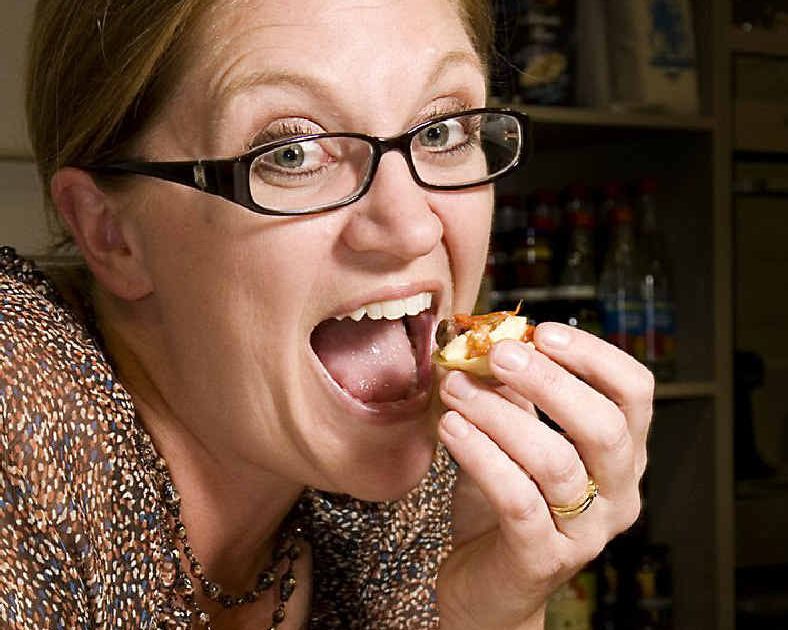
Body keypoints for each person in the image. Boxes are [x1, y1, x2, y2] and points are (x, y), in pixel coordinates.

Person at [0, 0, 654, 627]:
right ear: (111, 232)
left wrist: (497, 616)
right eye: (290, 153)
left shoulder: (419, 490)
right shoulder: (16, 421)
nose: (409, 228)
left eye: (442, 130)